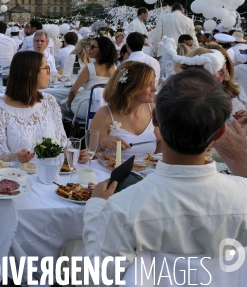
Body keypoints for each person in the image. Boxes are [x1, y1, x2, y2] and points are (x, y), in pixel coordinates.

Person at [63, 68, 247, 282]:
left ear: (155, 119)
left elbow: (104, 275)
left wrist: (95, 206)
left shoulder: (124, 207)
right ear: (220, 133)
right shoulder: (242, 196)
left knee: (69, 251)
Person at [0, 51, 67, 162]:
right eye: (46, 68)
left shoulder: (49, 101)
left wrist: (76, 154)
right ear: (31, 73)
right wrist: (16, 157)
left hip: (50, 172)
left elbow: (63, 142)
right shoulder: (1, 110)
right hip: (17, 174)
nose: (49, 72)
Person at [79, 62, 161, 164]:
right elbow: (89, 156)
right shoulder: (105, 114)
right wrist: (101, 145)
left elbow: (161, 142)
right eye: (149, 84)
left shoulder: (152, 108)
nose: (154, 89)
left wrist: (153, 164)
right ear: (132, 89)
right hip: (112, 174)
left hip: (147, 174)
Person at [66, 36, 117, 119]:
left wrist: (69, 105)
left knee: (63, 104)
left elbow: (73, 90)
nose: (89, 49)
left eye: (92, 47)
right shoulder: (115, 68)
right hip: (107, 108)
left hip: (88, 107)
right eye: (89, 46)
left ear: (102, 50)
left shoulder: (90, 68)